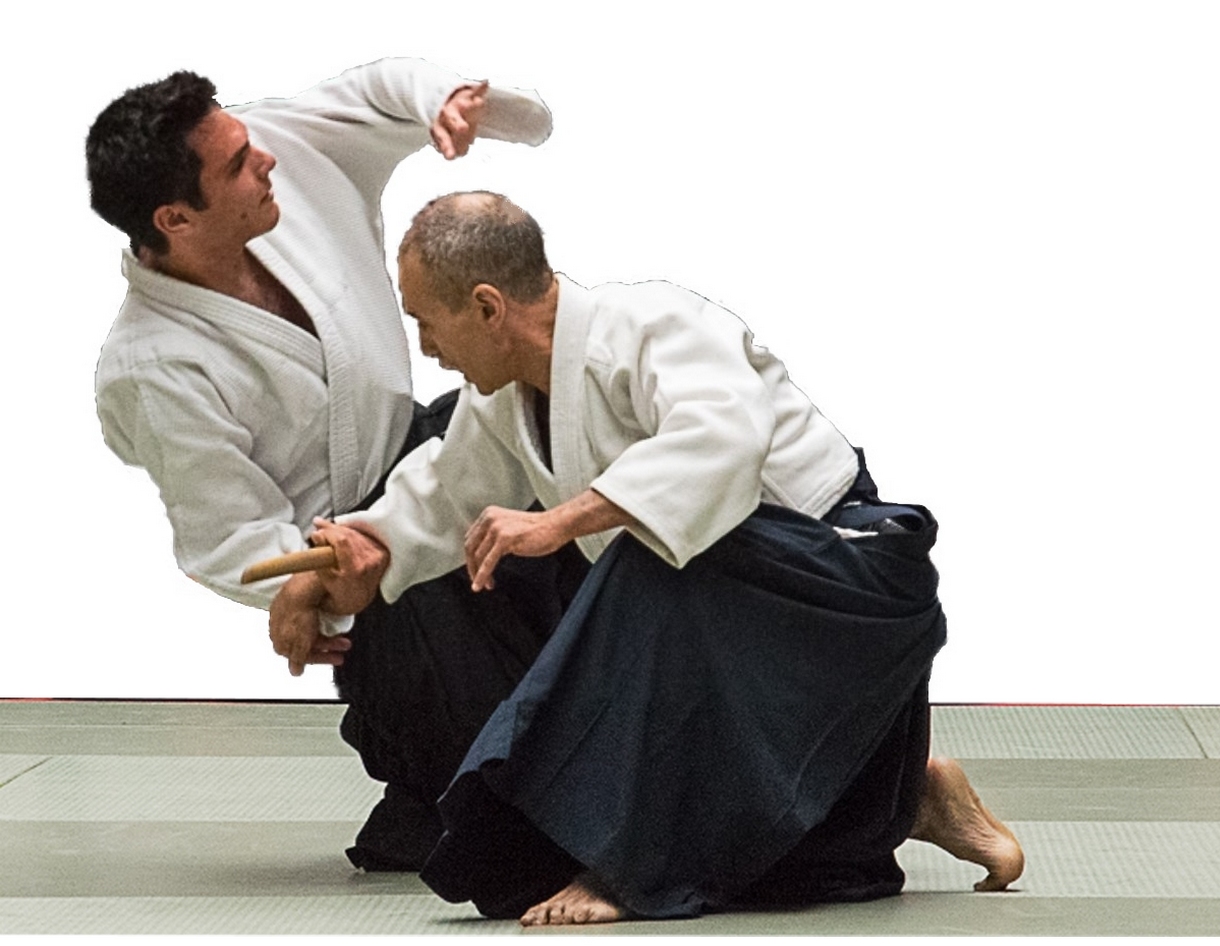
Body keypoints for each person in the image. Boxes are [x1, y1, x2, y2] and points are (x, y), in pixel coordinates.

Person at [271, 191, 1025, 924]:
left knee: (648, 570)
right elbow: (441, 494)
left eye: (427, 323)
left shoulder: (653, 324)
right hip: (729, 622)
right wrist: (335, 568)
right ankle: (903, 798)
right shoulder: (504, 398)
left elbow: (721, 441)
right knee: (745, 844)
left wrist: (560, 521)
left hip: (843, 578)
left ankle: (632, 862)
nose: (428, 348)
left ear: (488, 307)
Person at [88, 61, 584, 871]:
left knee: (560, 415)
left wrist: (439, 100)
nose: (266, 159)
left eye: (247, 140)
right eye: (237, 164)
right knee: (512, 788)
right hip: (354, 553)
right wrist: (317, 586)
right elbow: (233, 537)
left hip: (432, 447)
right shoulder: (152, 367)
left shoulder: (278, 147)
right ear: (174, 218)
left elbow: (377, 90)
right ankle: (425, 779)